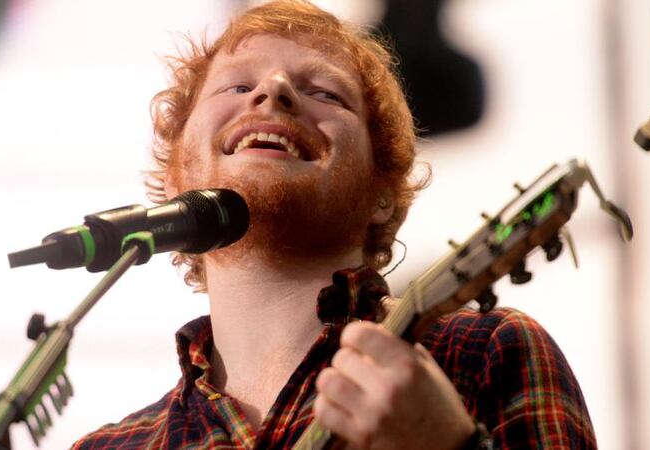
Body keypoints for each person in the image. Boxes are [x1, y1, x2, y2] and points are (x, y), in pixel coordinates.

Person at [72, 1, 597, 449]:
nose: (273, 90)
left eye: (325, 93)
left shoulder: (482, 354)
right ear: (174, 179)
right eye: (236, 86)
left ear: (383, 198)